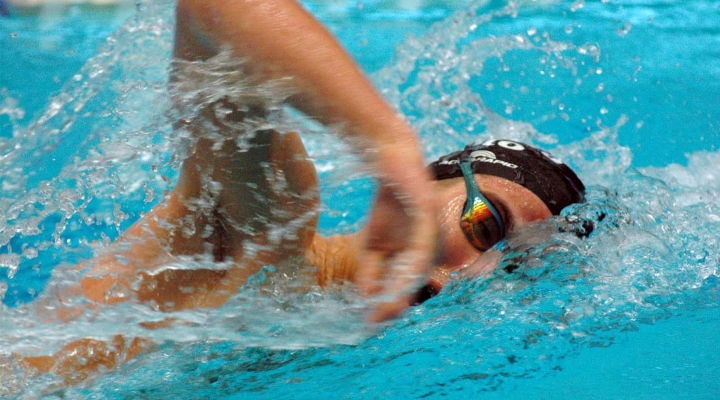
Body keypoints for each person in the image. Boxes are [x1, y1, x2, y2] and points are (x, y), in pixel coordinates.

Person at [18, 0, 585, 386]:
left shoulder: (327, 336)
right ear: (433, 185)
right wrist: (387, 144)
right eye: (486, 226)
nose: (480, 273)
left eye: (515, 274)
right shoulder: (269, 225)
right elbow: (211, 11)